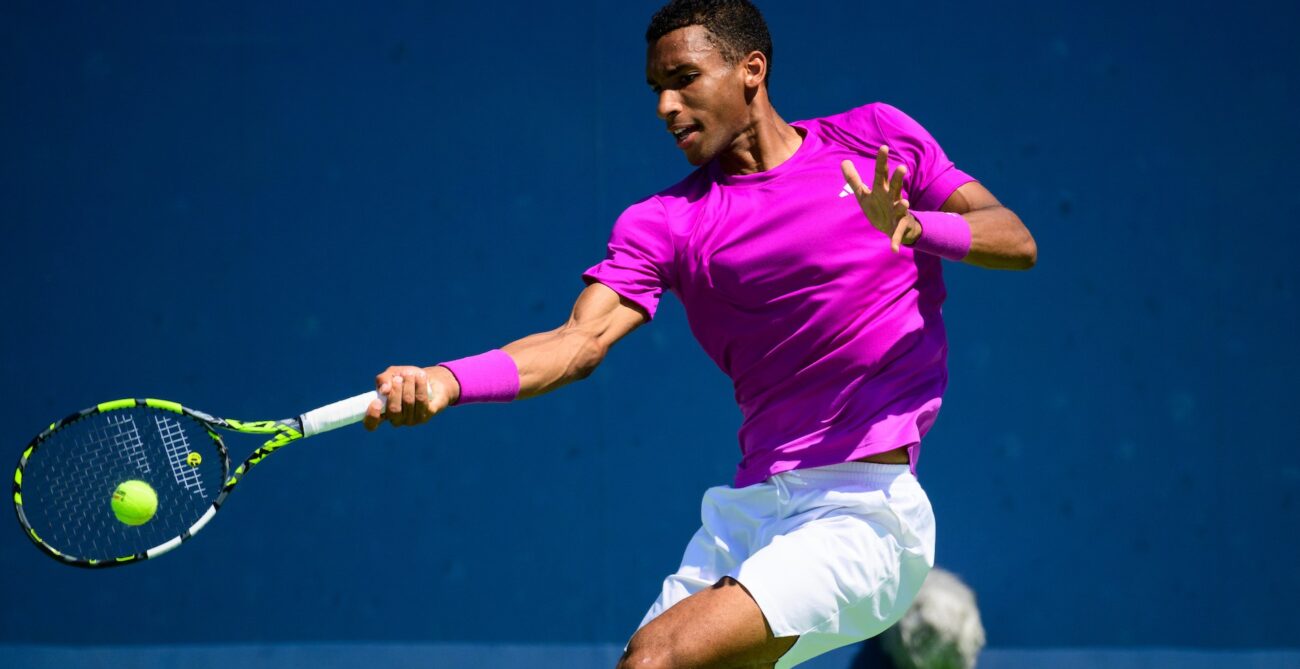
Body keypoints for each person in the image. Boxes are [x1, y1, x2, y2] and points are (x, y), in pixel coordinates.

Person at [362, 1, 1036, 667]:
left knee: (662, 656)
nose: (666, 106)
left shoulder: (874, 140)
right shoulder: (667, 222)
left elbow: (1016, 238)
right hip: (751, 512)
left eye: (684, 79)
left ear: (751, 69)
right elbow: (578, 340)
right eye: (657, 89)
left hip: (865, 511)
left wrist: (919, 226)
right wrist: (448, 380)